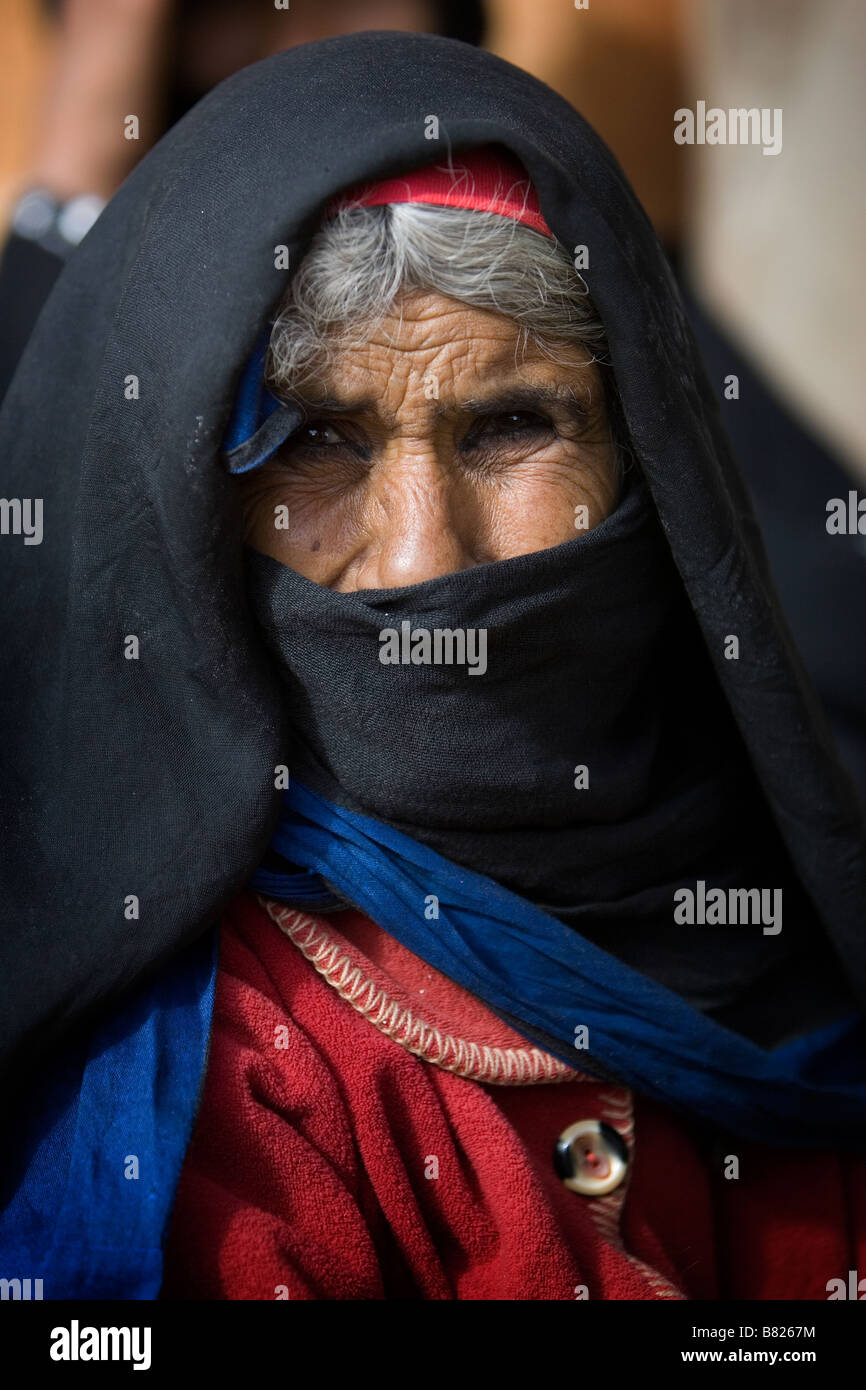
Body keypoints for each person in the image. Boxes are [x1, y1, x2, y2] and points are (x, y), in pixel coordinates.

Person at [1, 31, 865, 1302]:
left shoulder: (790, 917)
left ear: (650, 465)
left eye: (512, 424)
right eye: (315, 440)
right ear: (194, 514)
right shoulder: (227, 1084)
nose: (423, 558)